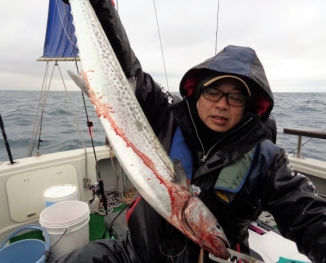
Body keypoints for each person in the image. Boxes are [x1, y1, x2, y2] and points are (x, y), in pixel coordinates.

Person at [57, 0, 326, 262]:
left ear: (248, 107)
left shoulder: (267, 160)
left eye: (235, 97)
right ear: (196, 92)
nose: (222, 105)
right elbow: (126, 69)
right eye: (213, 91)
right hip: (136, 253)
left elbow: (308, 213)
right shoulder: (166, 115)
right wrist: (99, 6)